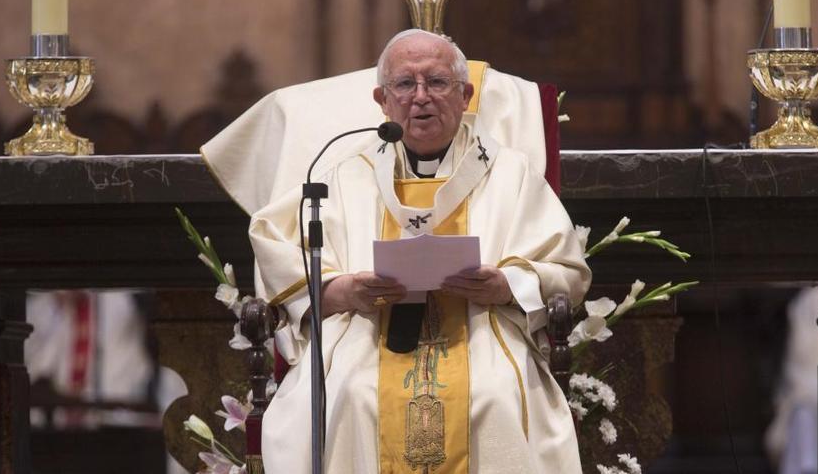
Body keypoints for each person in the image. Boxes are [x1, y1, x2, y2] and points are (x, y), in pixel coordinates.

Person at [250, 29, 591, 473]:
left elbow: (566, 269)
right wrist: (339, 290)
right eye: (405, 84)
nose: (421, 97)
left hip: (481, 329)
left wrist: (507, 285)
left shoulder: (510, 173)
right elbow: (275, 241)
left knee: (492, 394)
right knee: (354, 395)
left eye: (437, 82)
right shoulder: (343, 173)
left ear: (465, 94)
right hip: (367, 333)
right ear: (382, 100)